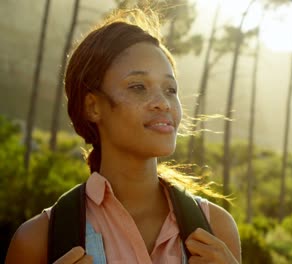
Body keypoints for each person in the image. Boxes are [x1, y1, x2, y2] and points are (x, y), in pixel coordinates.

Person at [6, 8, 241, 264]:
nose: (163, 103)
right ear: (93, 107)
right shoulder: (36, 240)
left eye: (170, 89)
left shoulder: (216, 229)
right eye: (138, 87)